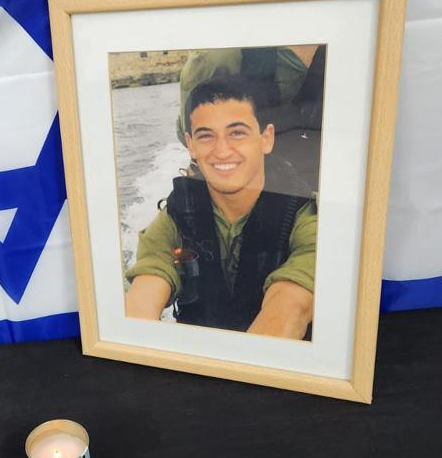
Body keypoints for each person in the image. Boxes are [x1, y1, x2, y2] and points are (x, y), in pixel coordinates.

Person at [124, 75, 316, 339]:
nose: (222, 151)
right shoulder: (178, 216)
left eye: (237, 133)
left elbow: (290, 306)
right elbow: (144, 294)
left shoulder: (308, 218)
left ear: (266, 138)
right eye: (206, 136)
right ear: (191, 145)